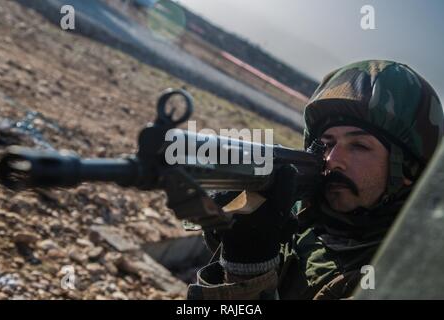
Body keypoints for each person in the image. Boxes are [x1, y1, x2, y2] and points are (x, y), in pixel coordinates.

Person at [187, 60, 444, 300]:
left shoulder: (410, 272)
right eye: (326, 144)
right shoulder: (302, 217)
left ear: (408, 170)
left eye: (359, 146)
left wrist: (249, 271)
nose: (333, 159)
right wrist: (229, 234)